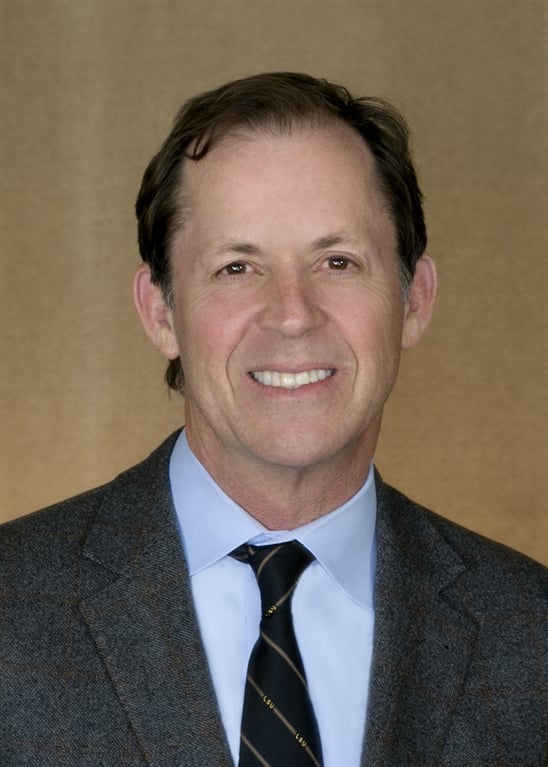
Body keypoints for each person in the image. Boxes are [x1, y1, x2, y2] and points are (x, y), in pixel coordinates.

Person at [0, 72, 546, 767]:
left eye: (338, 261)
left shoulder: (531, 636)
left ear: (414, 299)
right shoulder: (11, 609)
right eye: (236, 268)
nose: (293, 313)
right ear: (161, 310)